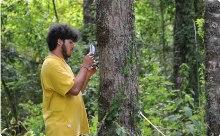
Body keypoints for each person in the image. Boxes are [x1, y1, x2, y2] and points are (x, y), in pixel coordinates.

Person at [40, 23, 96, 136]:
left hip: (71, 129)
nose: (73, 45)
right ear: (59, 42)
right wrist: (85, 66)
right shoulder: (51, 64)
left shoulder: (62, 64)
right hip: (60, 129)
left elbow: (77, 92)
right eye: (70, 42)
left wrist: (88, 74)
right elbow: (75, 89)